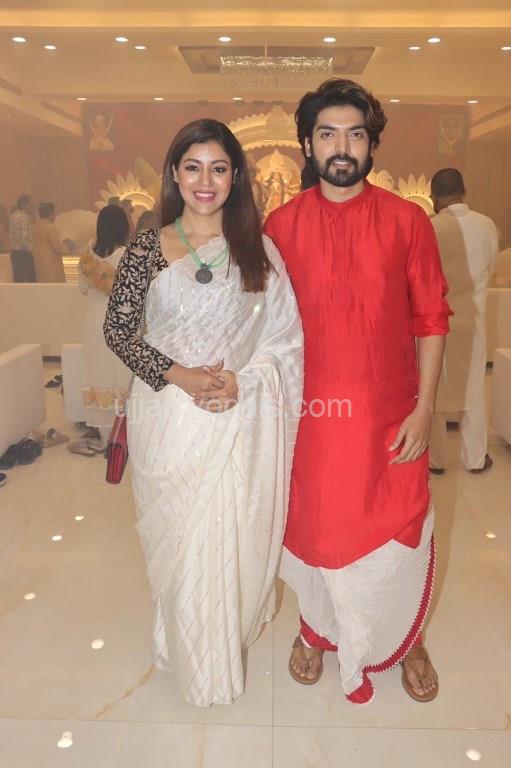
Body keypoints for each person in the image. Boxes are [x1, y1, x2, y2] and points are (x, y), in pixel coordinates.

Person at [103, 118, 303, 707]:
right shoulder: (147, 246)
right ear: (175, 174)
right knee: (181, 539)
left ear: (235, 176)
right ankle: (185, 646)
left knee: (226, 535)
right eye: (193, 167)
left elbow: (284, 339)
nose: (205, 181)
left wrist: (244, 382)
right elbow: (119, 331)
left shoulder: (257, 250)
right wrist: (180, 374)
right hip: (168, 415)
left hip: (237, 414)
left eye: (218, 168)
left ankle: (212, 657)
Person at [264, 78, 451, 705]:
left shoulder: (407, 221)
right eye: (327, 134)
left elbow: (432, 319)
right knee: (315, 532)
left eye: (355, 134)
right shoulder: (280, 227)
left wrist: (425, 410)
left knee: (399, 531)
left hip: (390, 417)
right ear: (307, 145)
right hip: (312, 418)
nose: (341, 147)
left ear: (371, 144)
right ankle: (316, 629)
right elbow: (261, 325)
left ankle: (407, 637)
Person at [429, 169, 498, 474]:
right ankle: (475, 459)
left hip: (438, 322)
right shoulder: (487, 225)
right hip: (474, 319)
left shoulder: (430, 227)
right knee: (473, 388)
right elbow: (490, 268)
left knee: (434, 387)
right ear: (464, 191)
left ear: (434, 196)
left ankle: (436, 460)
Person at [78, 205, 132, 449]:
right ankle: (124, 439)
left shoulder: (86, 257)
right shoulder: (128, 256)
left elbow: (83, 289)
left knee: (99, 373)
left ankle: (104, 437)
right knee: (122, 374)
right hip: (121, 322)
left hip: (94, 322)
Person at [32, 202, 66, 282]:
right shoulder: (50, 227)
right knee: (54, 287)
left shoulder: (34, 227)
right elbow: (57, 247)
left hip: (38, 263)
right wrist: (67, 247)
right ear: (51, 214)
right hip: (51, 264)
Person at [9, 194, 35, 282]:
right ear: (25, 205)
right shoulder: (25, 218)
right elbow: (25, 238)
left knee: (18, 280)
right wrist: (32, 250)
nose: (32, 207)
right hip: (24, 254)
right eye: (31, 204)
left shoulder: (12, 216)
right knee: (30, 281)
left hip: (14, 253)